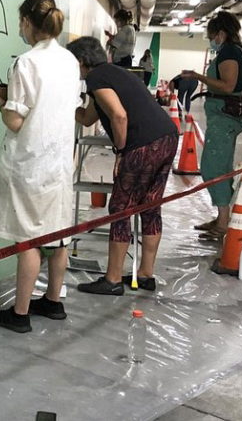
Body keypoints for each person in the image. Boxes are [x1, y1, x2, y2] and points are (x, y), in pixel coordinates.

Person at [0, 0, 82, 333]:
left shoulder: (25, 63)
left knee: (27, 239)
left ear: (27, 21)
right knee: (58, 234)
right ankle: (53, 302)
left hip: (31, 163)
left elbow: (15, 121)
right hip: (59, 161)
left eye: (20, 22)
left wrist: (1, 101)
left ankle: (20, 312)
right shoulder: (70, 61)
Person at [66, 37, 178, 295]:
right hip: (167, 137)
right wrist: (66, 103)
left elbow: (118, 115)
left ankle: (113, 279)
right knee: (150, 206)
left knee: (120, 209)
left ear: (81, 61)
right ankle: (146, 274)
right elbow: (87, 118)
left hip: (143, 144)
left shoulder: (95, 78)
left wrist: (121, 150)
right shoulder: (114, 73)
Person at [180, 11, 242, 242]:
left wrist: (198, 77)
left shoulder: (230, 52)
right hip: (223, 115)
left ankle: (223, 223)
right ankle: (221, 217)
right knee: (220, 165)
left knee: (213, 168)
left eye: (211, 36)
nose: (211, 41)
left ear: (220, 33)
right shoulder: (236, 51)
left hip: (225, 116)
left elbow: (228, 86)